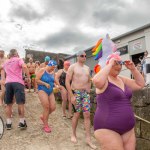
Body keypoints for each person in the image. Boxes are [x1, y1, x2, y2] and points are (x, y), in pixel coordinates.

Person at [92, 53, 145, 150]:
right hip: (107, 128)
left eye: (120, 63)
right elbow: (96, 81)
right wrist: (110, 63)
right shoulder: (104, 80)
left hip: (128, 129)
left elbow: (140, 84)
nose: (119, 66)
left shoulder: (121, 79)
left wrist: (133, 69)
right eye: (115, 63)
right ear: (109, 64)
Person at [66, 51, 96, 149]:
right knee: (77, 114)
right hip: (76, 92)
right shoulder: (73, 67)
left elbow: (89, 80)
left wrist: (88, 89)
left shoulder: (87, 68)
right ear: (77, 57)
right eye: (82, 56)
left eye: (85, 56)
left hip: (85, 94)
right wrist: (71, 95)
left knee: (87, 114)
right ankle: (73, 134)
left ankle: (88, 139)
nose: (84, 57)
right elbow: (67, 81)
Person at [1, 49, 30, 130]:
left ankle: (8, 123)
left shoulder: (6, 62)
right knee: (20, 103)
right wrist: (28, 77)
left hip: (8, 83)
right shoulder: (18, 59)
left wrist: (3, 79)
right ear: (16, 54)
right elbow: (24, 66)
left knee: (8, 104)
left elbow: (1, 68)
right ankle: (21, 122)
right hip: (18, 82)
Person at [36, 60, 60, 133]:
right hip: (42, 90)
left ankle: (43, 116)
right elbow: (36, 80)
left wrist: (56, 86)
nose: (53, 69)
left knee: (53, 107)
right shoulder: (42, 70)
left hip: (50, 91)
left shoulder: (53, 72)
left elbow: (53, 81)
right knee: (46, 107)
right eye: (52, 67)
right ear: (49, 65)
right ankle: (46, 125)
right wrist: (45, 84)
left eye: (54, 68)